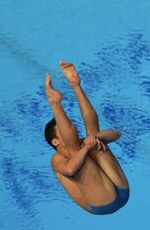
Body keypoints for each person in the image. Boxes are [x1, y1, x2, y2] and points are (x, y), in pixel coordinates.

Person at [44, 60, 130, 215]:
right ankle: (55, 103)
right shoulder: (56, 160)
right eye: (63, 131)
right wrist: (88, 147)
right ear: (55, 141)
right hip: (102, 204)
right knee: (76, 150)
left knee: (91, 136)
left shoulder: (84, 143)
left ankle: (76, 86)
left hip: (120, 188)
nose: (71, 130)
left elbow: (117, 134)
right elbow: (70, 170)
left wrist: (96, 137)